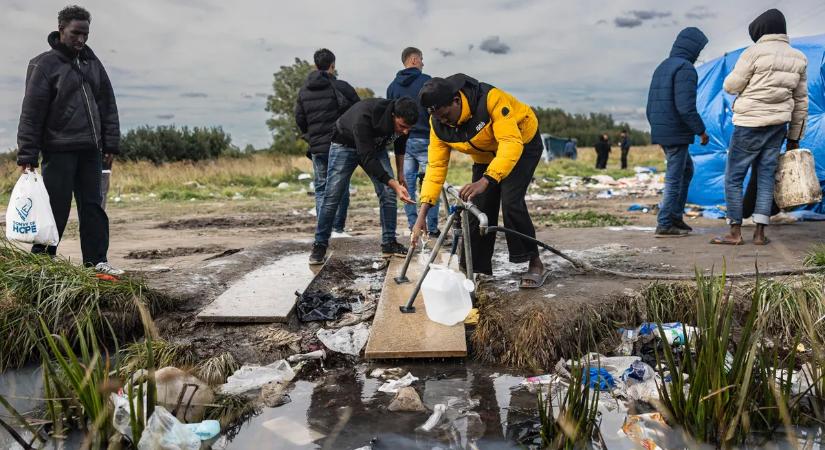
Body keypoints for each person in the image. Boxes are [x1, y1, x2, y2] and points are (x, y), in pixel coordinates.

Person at [412, 74, 548, 289]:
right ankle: (474, 269)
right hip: (486, 155)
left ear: (456, 101)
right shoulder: (437, 123)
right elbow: (436, 167)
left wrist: (487, 180)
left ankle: (535, 262)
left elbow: (510, 143)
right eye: (439, 118)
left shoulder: (490, 100)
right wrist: (422, 214)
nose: (445, 122)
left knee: (511, 200)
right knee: (476, 206)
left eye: (446, 115)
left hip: (521, 142)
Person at [17, 5, 123, 275]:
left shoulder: (92, 62)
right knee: (55, 208)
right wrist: (27, 156)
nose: (81, 40)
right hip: (58, 150)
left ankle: (96, 262)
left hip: (91, 151)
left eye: (86, 34)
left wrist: (110, 144)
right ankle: (42, 263)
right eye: (76, 33)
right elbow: (31, 113)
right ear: (61, 29)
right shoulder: (44, 65)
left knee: (93, 207)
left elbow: (107, 104)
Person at [711, 9, 808, 246]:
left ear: (761, 31)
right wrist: (794, 137)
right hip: (778, 126)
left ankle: (734, 232)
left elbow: (731, 86)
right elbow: (801, 101)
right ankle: (760, 234)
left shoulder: (752, 53)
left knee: (734, 177)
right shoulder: (799, 58)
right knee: (766, 178)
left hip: (748, 124)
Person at [309, 97, 418, 264]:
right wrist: (392, 182)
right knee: (332, 196)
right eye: (402, 126)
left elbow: (400, 146)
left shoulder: (403, 125)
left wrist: (400, 175)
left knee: (388, 193)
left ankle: (389, 243)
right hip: (344, 145)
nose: (405, 131)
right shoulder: (365, 117)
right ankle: (319, 245)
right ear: (393, 115)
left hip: (375, 147)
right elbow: (366, 157)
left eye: (409, 128)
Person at [646, 27, 710, 238]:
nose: (699, 54)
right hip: (676, 131)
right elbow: (685, 107)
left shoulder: (662, 67)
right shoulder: (685, 69)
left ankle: (674, 216)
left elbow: (650, 106)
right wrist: (700, 130)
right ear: (692, 48)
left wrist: (657, 128)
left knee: (686, 170)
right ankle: (665, 223)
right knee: (675, 177)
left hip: (663, 130)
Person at [295, 48, 360, 238]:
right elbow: (358, 111)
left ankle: (323, 230)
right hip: (339, 145)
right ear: (333, 65)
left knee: (321, 188)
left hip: (316, 146)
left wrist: (310, 135)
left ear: (316, 65)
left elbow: (299, 118)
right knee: (341, 187)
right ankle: (337, 229)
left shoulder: (304, 91)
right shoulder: (341, 87)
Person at [386, 47, 441, 238]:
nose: (423, 63)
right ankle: (431, 229)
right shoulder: (428, 81)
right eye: (422, 59)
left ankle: (413, 227)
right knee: (430, 184)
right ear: (415, 60)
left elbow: (390, 117)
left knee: (406, 184)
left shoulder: (392, 86)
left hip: (403, 141)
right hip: (426, 139)